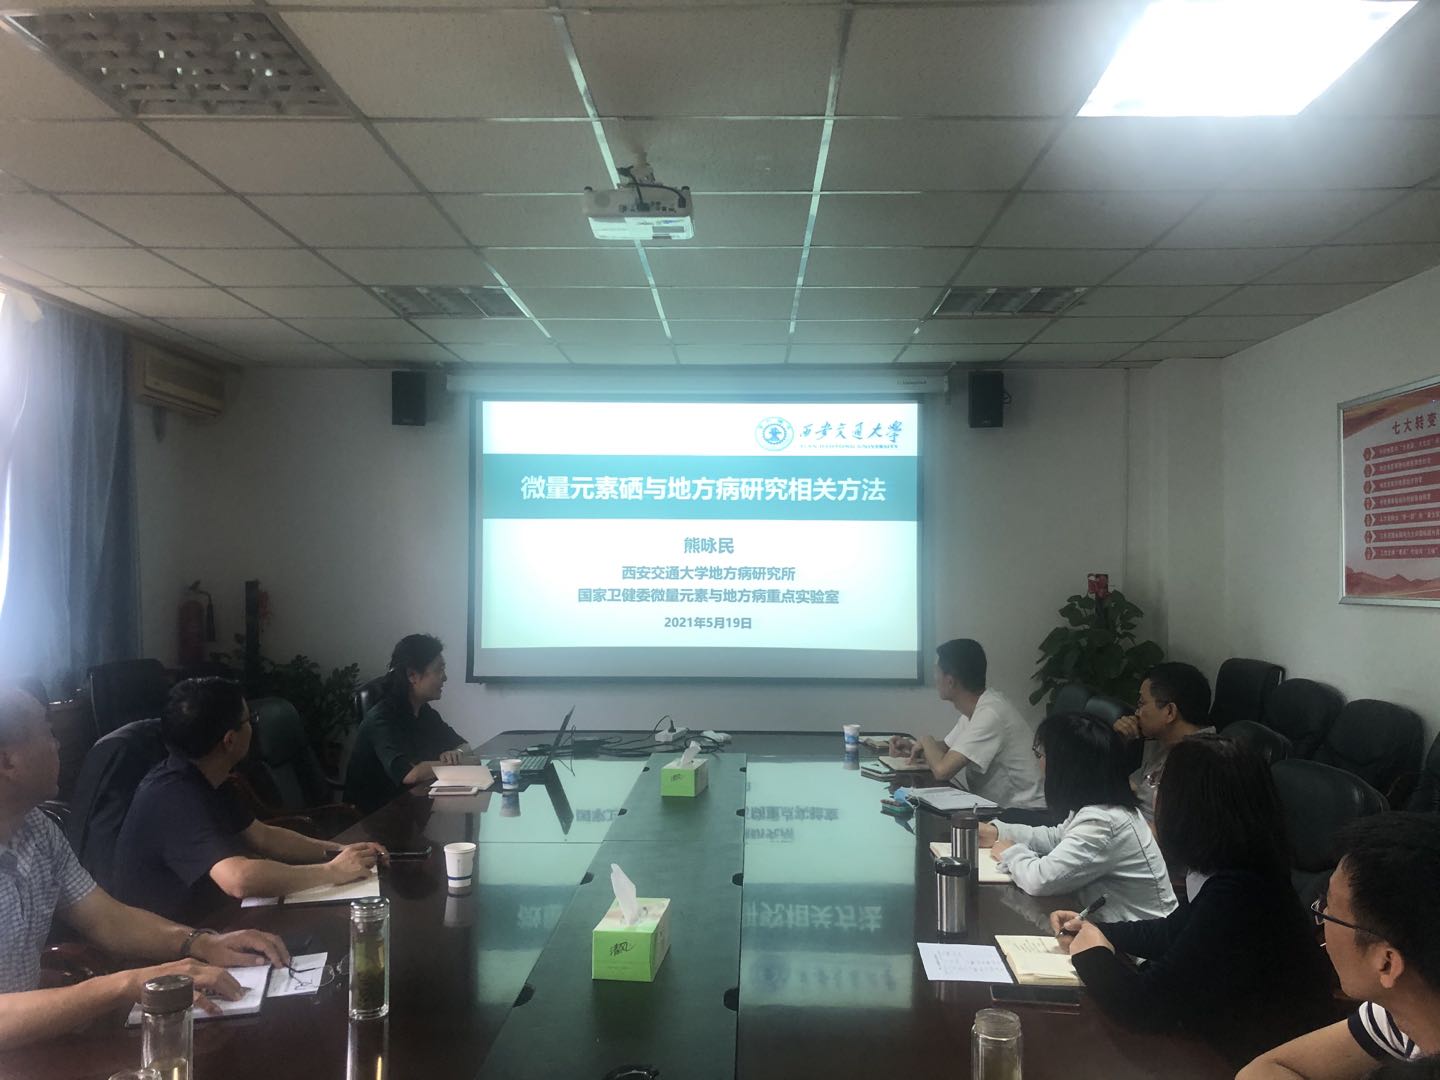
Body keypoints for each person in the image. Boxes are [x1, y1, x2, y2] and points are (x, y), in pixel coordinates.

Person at [0, 687, 290, 1050]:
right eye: (47, 732)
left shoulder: (38, 830)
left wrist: (201, 942)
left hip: (27, 1050)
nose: (57, 745)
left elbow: (107, 919)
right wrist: (127, 984)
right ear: (8, 761)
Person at [1050, 734, 1337, 1066]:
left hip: (1243, 1060)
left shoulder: (1243, 892)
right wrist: (1097, 930)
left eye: (1160, 785)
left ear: (1188, 806)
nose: (1154, 796)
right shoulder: (1242, 867)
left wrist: (1093, 954)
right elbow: (1174, 931)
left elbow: (1144, 1006)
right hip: (1226, 1039)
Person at [113, 678, 386, 922]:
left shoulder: (208, 776)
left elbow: (263, 837)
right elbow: (238, 879)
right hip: (171, 941)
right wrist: (331, 872)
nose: (254, 727)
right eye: (250, 720)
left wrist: (341, 851)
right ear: (230, 740)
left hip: (208, 918)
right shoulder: (172, 796)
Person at [1238, 813, 1440, 1079]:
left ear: (1387, 963)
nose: (1321, 916)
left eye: (1329, 909)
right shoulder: (1404, 1011)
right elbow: (1264, 1069)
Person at [979, 712, 1176, 921]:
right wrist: (998, 832)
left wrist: (1010, 853)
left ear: (1064, 765)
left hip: (1141, 940)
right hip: (1114, 930)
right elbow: (1057, 838)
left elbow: (1040, 881)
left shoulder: (1104, 823)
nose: (1039, 764)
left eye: (1040, 754)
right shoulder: (1100, 808)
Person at [887, 639, 1045, 814]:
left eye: (937, 672)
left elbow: (942, 770)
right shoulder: (977, 708)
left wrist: (926, 740)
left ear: (950, 681)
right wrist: (912, 748)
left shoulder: (990, 714)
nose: (935, 678)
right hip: (998, 808)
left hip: (1026, 813)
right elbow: (947, 749)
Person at [345, 634, 470, 815]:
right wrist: (454, 765)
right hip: (369, 819)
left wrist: (457, 754)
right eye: (439, 670)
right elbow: (410, 774)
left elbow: (465, 747)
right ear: (412, 675)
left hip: (408, 807)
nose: (445, 677)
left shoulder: (424, 712)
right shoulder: (381, 719)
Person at [1112, 661, 1215, 822]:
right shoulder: (1165, 744)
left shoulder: (1203, 762)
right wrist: (1117, 743)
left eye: (1142, 703)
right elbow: (1130, 788)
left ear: (1169, 712)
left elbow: (1173, 831)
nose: (1137, 712)